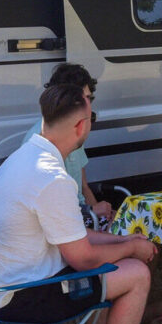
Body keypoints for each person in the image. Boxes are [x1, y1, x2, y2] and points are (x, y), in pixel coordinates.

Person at [0, 83, 162, 324]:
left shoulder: (24, 157)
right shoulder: (52, 178)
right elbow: (83, 258)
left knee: (115, 261)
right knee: (135, 273)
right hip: (22, 298)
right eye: (91, 115)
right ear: (81, 126)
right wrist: (132, 249)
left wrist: (122, 239)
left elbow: (71, 236)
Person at [22, 63, 112, 228]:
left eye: (90, 98)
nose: (89, 104)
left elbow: (84, 187)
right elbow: (54, 211)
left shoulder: (73, 132)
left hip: (80, 214)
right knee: (130, 241)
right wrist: (93, 210)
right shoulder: (41, 142)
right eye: (83, 98)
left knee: (130, 230)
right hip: (66, 219)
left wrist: (103, 217)